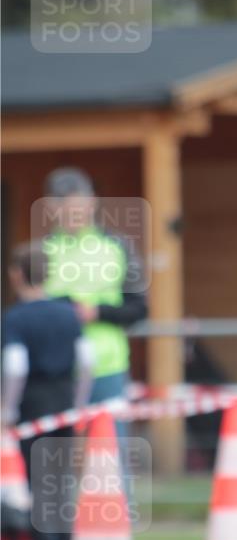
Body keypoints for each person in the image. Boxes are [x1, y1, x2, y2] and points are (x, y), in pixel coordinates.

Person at [1, 242, 93, 540]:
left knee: (37, 483)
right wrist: (79, 403)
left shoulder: (15, 317)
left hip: (33, 403)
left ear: (16, 274)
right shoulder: (68, 312)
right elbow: (86, 360)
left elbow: (15, 365)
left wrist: (8, 408)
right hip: (64, 401)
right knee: (59, 480)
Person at [41, 167, 147, 409]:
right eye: (65, 208)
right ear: (51, 208)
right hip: (56, 372)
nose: (74, 214)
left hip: (108, 368)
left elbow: (139, 307)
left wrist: (97, 312)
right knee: (56, 447)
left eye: (79, 206)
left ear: (92, 203)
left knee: (107, 446)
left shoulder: (118, 246)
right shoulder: (41, 252)